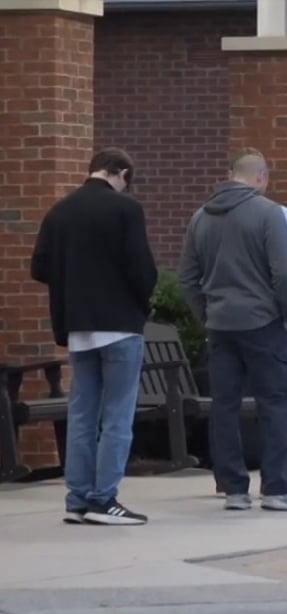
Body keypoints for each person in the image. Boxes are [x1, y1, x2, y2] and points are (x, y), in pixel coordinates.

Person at [178, 148, 287, 512]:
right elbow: (284, 272)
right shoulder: (269, 214)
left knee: (224, 405)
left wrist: (206, 314)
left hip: (220, 324)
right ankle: (277, 488)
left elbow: (187, 279)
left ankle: (234, 488)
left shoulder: (200, 218)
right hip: (263, 321)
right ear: (261, 177)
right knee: (277, 402)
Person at [31, 148, 157, 526]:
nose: (125, 187)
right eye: (126, 180)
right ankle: (105, 499)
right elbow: (142, 269)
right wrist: (140, 302)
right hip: (119, 326)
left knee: (82, 415)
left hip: (78, 328)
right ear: (119, 172)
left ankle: (77, 499)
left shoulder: (60, 211)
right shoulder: (125, 210)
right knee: (117, 416)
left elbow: (39, 267)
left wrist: (74, 285)